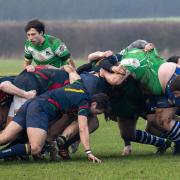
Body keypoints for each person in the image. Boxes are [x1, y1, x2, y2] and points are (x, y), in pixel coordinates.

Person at [0, 78, 110, 163]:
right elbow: (82, 128)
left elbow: (74, 74)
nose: (96, 114)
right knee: (35, 147)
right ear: (94, 104)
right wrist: (89, 152)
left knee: (4, 137)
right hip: (40, 108)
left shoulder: (80, 87)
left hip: (31, 103)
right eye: (98, 112)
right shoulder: (84, 103)